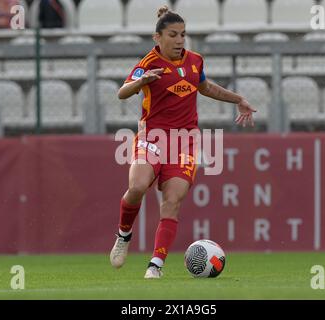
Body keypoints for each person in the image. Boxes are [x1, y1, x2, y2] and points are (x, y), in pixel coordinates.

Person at [109, 6, 256, 279]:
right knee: (137, 186)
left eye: (183, 35)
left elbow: (206, 87)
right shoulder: (148, 63)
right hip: (153, 136)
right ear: (158, 38)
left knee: (172, 201)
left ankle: (155, 266)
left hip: (185, 142)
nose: (180, 40)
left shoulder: (195, 61)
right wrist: (142, 82)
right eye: (173, 35)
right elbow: (122, 92)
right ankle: (123, 234)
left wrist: (238, 99)